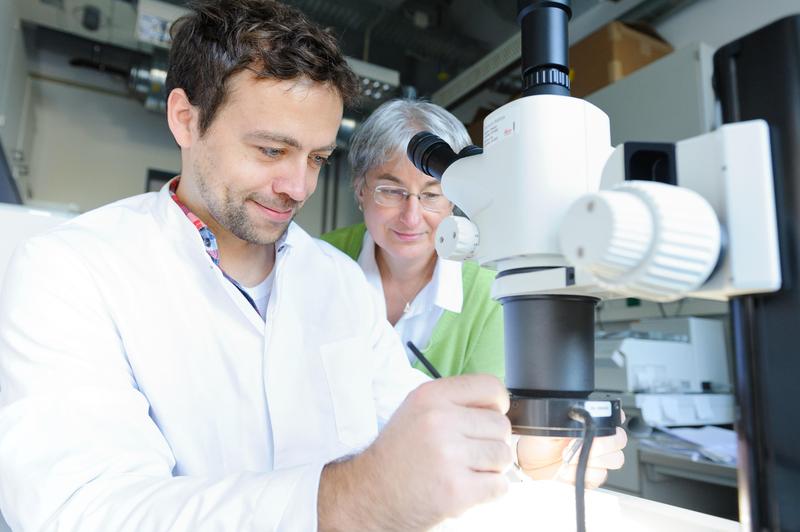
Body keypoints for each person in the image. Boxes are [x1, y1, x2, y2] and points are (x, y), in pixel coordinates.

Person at [0, 1, 626, 530]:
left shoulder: (335, 281)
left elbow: (406, 412)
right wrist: (352, 496)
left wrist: (526, 451)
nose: (296, 186)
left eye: (318, 158)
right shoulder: (71, 271)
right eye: (271, 149)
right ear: (185, 119)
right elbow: (79, 508)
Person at [322, 99, 504, 380]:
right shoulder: (319, 261)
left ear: (455, 199)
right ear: (360, 189)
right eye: (392, 191)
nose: (411, 217)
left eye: (432, 194)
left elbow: (486, 414)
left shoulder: (492, 293)